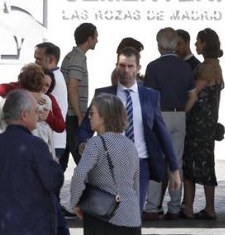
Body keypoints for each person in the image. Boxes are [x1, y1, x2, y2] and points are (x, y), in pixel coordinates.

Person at [77, 47, 180, 211]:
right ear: (116, 66)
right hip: (109, 164)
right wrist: (84, 145)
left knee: (133, 214)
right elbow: (85, 128)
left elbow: (162, 133)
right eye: (122, 65)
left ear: (138, 68)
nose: (126, 70)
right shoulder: (103, 95)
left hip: (140, 164)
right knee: (108, 214)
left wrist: (174, 169)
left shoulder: (150, 96)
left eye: (130, 66)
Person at [0, 89, 64, 235]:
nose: (38, 115)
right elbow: (53, 181)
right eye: (35, 111)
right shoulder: (36, 146)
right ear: (24, 115)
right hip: (32, 226)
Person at [142, 28, 195, 221]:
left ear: (159, 46)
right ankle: (174, 207)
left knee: (157, 160)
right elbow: (193, 95)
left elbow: (149, 97)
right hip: (179, 116)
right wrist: (183, 111)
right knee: (176, 163)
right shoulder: (185, 67)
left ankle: (152, 206)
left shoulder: (153, 67)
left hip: (159, 116)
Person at [70, 94, 141, 235]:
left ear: (104, 116)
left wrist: (74, 203)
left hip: (103, 216)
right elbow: (136, 184)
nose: (89, 117)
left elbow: (79, 174)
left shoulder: (96, 143)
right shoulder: (130, 144)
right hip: (132, 217)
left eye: (92, 113)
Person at [182, 28, 224, 220]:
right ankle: (208, 208)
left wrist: (183, 113)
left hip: (197, 124)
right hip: (208, 124)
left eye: (198, 41)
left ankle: (189, 207)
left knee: (190, 164)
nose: (196, 45)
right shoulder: (217, 65)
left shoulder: (206, 67)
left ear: (205, 44)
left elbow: (194, 94)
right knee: (207, 164)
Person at [61, 23, 98, 167]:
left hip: (69, 114)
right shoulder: (77, 58)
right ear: (89, 39)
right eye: (96, 36)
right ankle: (87, 189)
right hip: (71, 115)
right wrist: (79, 115)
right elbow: (72, 87)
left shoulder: (75, 56)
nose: (97, 40)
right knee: (82, 159)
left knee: (62, 160)